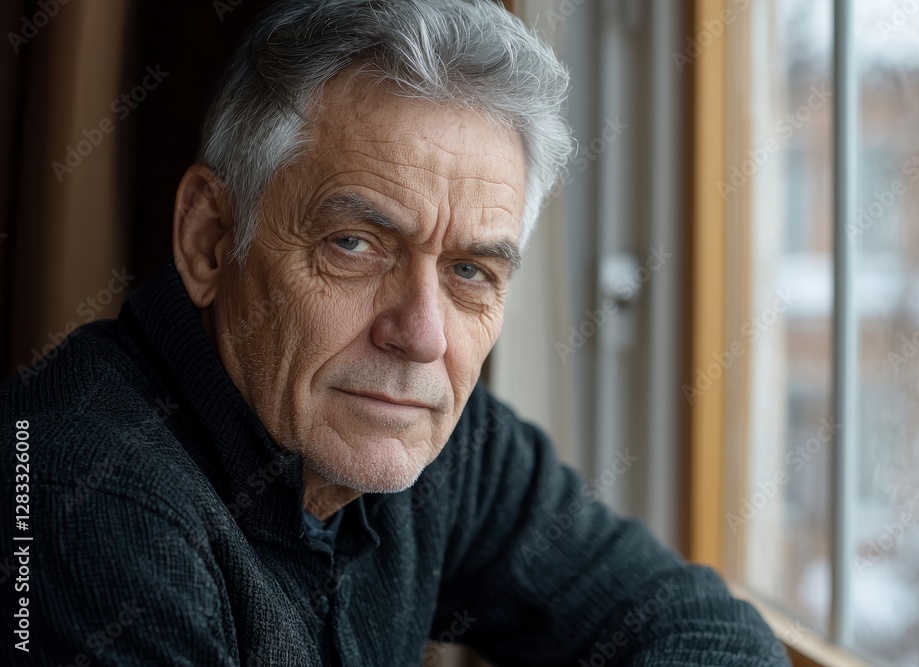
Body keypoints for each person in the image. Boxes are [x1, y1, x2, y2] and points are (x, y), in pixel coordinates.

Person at [0, 0, 789, 664]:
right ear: (210, 239)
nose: (420, 335)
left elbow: (701, 628)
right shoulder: (82, 500)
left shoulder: (434, 431)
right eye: (355, 244)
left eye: (471, 271)